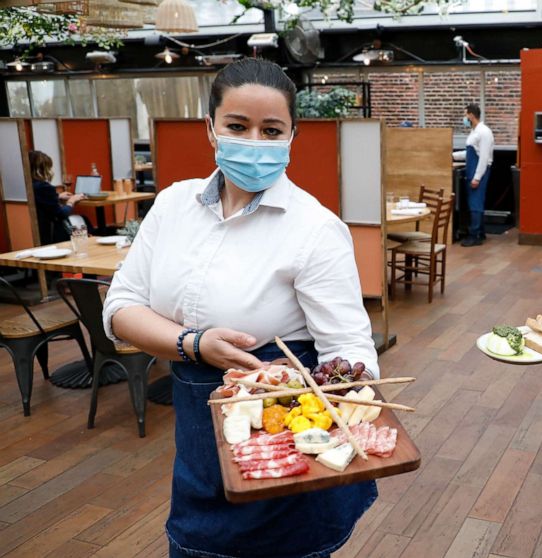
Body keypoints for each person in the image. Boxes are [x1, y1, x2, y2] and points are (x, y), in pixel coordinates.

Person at [102, 58, 379, 558]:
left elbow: (349, 346)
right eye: (237, 125)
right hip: (197, 435)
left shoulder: (314, 228)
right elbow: (121, 307)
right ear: (211, 129)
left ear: (292, 136)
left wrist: (348, 404)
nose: (254, 140)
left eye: (271, 129)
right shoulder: (172, 206)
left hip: (289, 436)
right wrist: (194, 344)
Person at [453, 103, 494, 247]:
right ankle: (480, 232)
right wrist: (452, 155)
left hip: (478, 171)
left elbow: (483, 157)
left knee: (475, 204)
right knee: (475, 203)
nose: (464, 118)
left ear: (471, 115)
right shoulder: (474, 131)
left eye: (465, 114)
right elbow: (470, 153)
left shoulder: (484, 132)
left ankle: (474, 235)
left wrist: (477, 177)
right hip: (473, 169)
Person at [29, 150, 84, 245]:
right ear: (40, 169)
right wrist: (71, 201)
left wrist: (58, 196)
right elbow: (61, 214)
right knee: (83, 220)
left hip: (29, 231)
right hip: (48, 234)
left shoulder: (28, 185)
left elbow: (37, 200)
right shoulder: (44, 187)